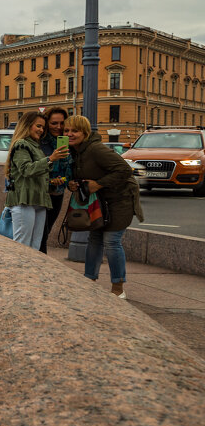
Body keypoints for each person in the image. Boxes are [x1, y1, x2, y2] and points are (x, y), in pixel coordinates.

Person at [65, 114, 140, 299]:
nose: (69, 134)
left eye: (74, 131)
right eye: (67, 131)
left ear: (85, 132)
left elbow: (123, 170)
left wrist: (97, 184)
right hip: (99, 203)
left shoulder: (96, 149)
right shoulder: (74, 151)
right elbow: (80, 175)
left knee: (111, 242)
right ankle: (89, 281)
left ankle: (118, 287)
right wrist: (73, 184)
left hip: (120, 200)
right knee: (95, 239)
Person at [3, 111, 67, 250]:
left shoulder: (35, 145)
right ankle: (19, 272)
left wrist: (51, 182)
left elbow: (38, 173)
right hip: (24, 200)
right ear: (27, 125)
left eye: (43, 127)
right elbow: (26, 169)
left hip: (39, 199)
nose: (41, 130)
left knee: (35, 246)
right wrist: (51, 159)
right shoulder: (21, 144)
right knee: (22, 244)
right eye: (38, 126)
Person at [38, 107, 72, 254]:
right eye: (54, 123)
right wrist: (52, 158)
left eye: (62, 123)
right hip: (41, 194)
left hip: (58, 194)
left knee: (46, 232)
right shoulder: (40, 142)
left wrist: (66, 180)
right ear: (47, 124)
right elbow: (36, 167)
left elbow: (70, 168)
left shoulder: (68, 142)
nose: (58, 127)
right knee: (39, 234)